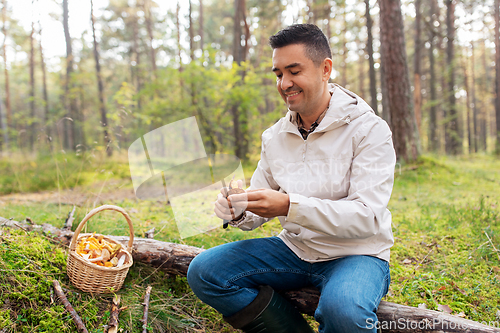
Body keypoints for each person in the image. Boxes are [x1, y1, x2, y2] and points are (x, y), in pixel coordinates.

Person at [187, 23, 396, 333]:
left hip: (357, 254)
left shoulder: (369, 131)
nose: (284, 83)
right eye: (278, 74)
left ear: (325, 69)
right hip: (294, 250)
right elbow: (259, 199)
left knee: (344, 311)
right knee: (204, 271)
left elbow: (366, 218)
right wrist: (238, 208)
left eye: (294, 71)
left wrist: (288, 206)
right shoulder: (274, 137)